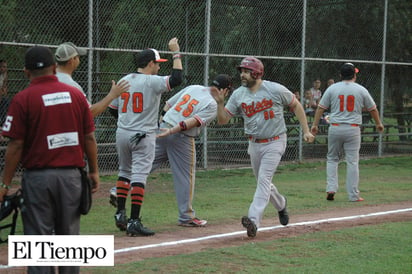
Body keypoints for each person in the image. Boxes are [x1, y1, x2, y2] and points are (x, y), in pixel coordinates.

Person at [0, 46, 100, 274]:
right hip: (71, 177)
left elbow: (15, 145)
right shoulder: (75, 95)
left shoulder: (22, 98)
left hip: (38, 178)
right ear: (54, 68)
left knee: (38, 240)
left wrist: (5, 184)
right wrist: (93, 171)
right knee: (68, 240)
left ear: (26, 73)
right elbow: (89, 137)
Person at [212, 57, 314, 238]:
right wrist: (220, 103)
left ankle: (253, 220)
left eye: (246, 71)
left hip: (275, 141)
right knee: (263, 182)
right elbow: (223, 120)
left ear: (257, 73)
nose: (242, 74)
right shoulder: (238, 95)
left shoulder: (274, 89)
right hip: (254, 144)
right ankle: (281, 204)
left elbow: (296, 105)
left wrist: (305, 130)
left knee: (264, 180)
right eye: (241, 71)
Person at [108, 38, 183, 237]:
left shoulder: (124, 79)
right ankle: (134, 221)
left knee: (124, 172)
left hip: (122, 133)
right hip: (144, 134)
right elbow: (177, 79)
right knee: (139, 175)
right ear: (150, 63)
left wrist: (127, 121)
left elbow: (112, 108)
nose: (159, 67)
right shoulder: (152, 81)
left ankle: (120, 214)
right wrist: (176, 53)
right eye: (157, 64)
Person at [150, 74, 233, 227]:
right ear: (224, 91)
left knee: (146, 164)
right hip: (180, 136)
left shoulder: (195, 87)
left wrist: (161, 121)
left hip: (163, 128)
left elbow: (168, 104)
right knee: (185, 177)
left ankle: (119, 189)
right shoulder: (212, 105)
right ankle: (186, 217)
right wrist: (172, 131)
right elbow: (192, 122)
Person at [310, 63, 384, 202]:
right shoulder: (361, 89)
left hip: (336, 127)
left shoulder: (333, 88)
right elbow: (372, 108)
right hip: (353, 128)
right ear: (354, 75)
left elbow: (320, 108)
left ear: (340, 75)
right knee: (352, 161)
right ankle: (353, 195)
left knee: (332, 158)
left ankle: (331, 188)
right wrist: (378, 123)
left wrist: (315, 125)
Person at [55, 42, 130, 117]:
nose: (79, 59)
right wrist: (112, 95)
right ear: (71, 60)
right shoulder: (72, 86)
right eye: (77, 57)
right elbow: (89, 113)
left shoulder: (47, 78)